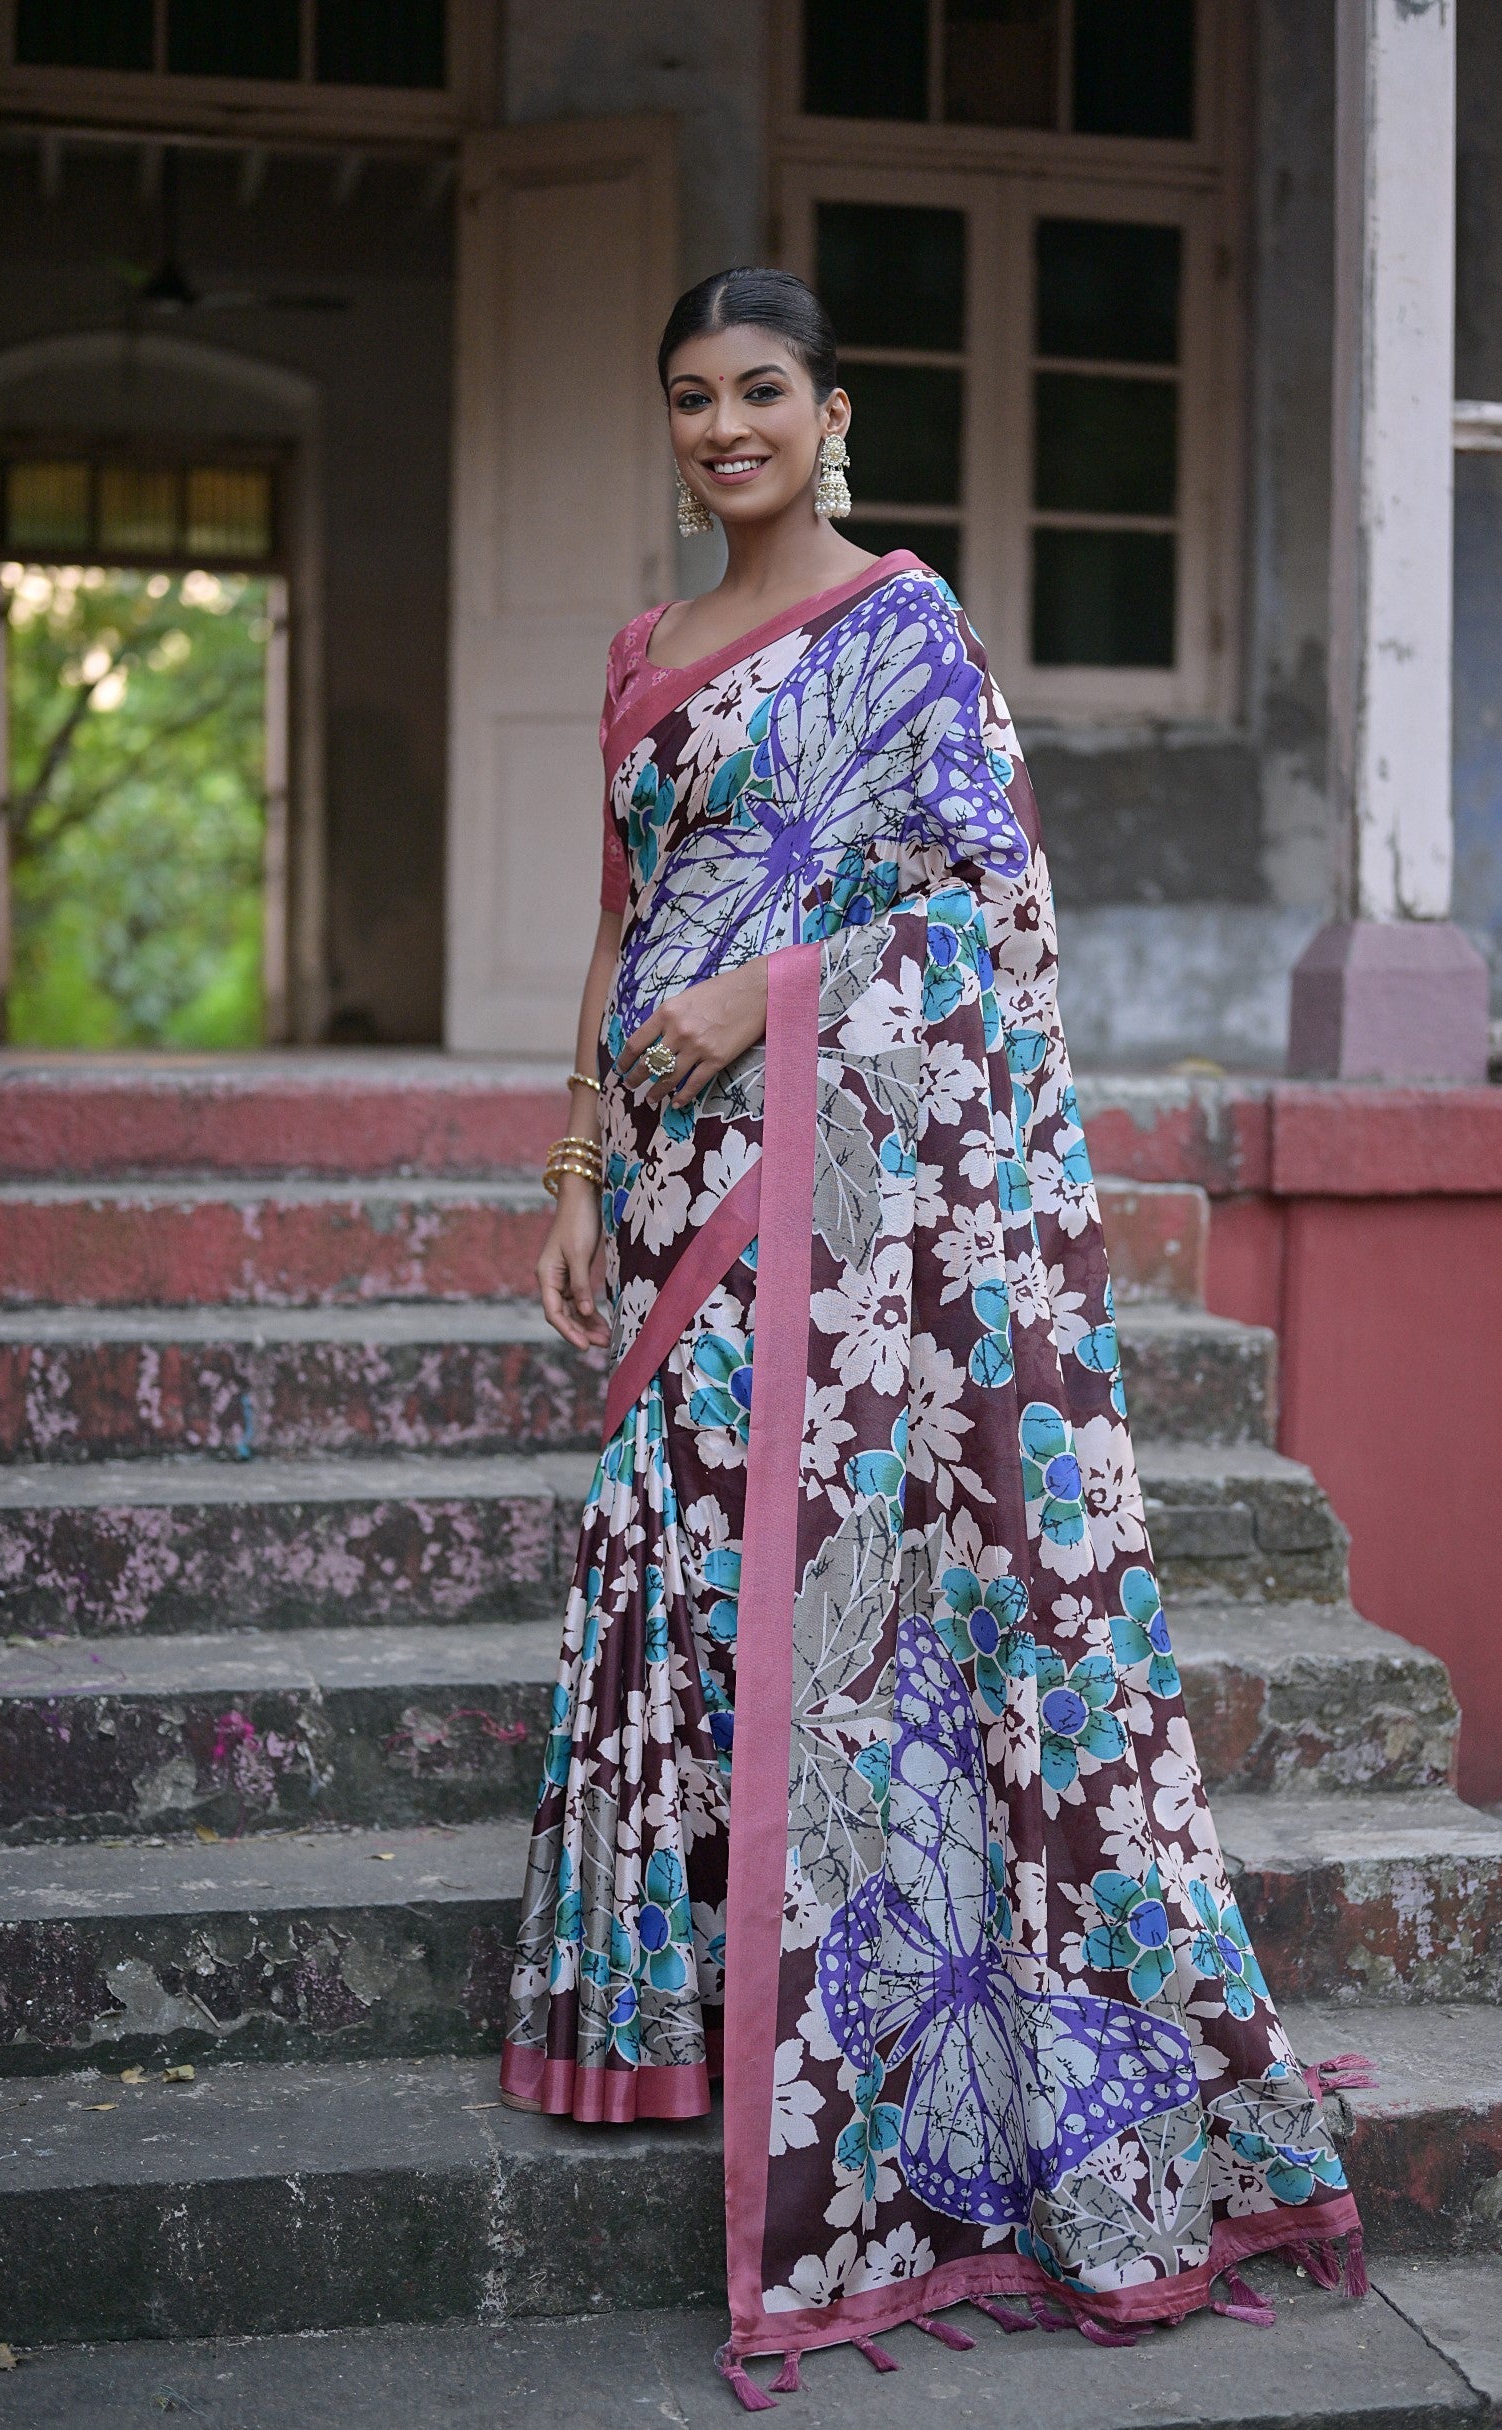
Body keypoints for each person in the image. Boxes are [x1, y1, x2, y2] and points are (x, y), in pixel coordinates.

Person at [501, 267, 1363, 2398]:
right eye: (692, 396)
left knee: (847, 1607)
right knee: (677, 1562)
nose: (724, 428)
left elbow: (992, 923)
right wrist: (575, 1175)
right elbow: (622, 928)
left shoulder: (901, 632)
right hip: (677, 1178)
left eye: (760, 392)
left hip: (849, 1186)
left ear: (832, 409)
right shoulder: (640, 656)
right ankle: (669, 2020)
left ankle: (895, 2060)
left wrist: (767, 1006)